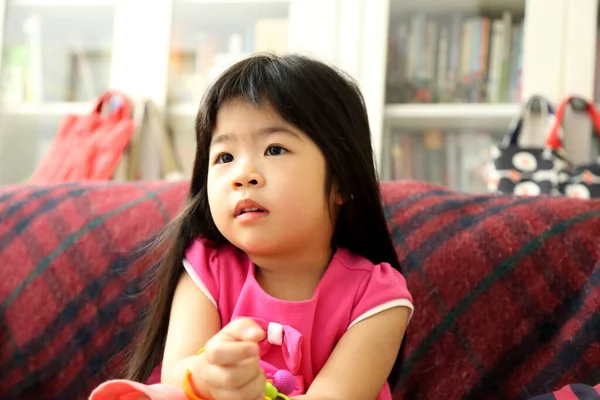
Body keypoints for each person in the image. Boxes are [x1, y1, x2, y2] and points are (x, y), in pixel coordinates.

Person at [90, 53, 414, 400]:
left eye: (275, 149)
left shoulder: (377, 298)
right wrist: (209, 375)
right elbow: (177, 371)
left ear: (342, 182)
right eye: (225, 157)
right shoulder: (207, 267)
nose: (243, 174)